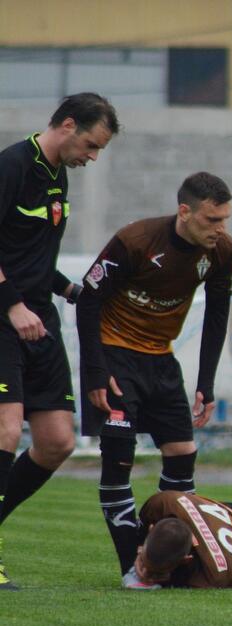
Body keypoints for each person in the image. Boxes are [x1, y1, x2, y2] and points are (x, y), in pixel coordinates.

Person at [76, 172, 232, 584]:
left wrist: (207, 382)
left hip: (161, 362)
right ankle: (135, 567)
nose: (220, 229)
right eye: (212, 220)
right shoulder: (136, 240)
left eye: (224, 219)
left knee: (182, 461)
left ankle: (165, 563)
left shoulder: (220, 251)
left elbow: (217, 313)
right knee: (119, 462)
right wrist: (95, 371)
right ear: (185, 212)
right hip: (115, 359)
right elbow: (88, 300)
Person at [0, 92, 119, 590]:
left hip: (39, 319)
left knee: (57, 442)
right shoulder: (12, 166)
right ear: (68, 125)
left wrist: (69, 288)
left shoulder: (58, 177)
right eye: (91, 145)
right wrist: (12, 305)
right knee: (6, 432)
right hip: (5, 318)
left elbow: (31, 254)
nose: (92, 157)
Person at [125, 490, 232, 589]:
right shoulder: (163, 501)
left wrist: (158, 577)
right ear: (152, 528)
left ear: (187, 559)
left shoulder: (212, 576)